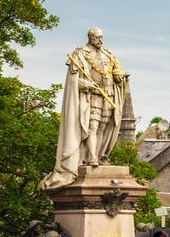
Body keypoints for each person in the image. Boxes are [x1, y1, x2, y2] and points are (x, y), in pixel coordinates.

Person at [41, 27, 126, 190]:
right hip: (91, 97)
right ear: (90, 37)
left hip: (108, 95)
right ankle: (92, 158)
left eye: (102, 37)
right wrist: (87, 85)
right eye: (97, 38)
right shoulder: (80, 53)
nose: (100, 40)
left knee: (103, 126)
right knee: (91, 127)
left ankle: (99, 155)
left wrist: (119, 76)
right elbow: (74, 81)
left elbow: (118, 72)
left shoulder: (109, 53)